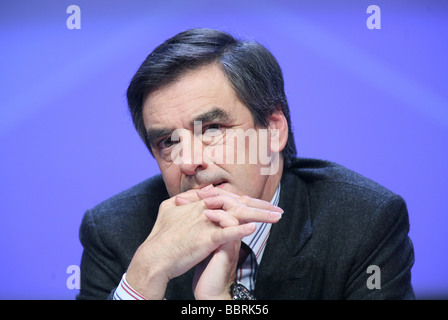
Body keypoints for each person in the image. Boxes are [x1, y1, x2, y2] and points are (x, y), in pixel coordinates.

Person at [77, 28, 415, 300]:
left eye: (211, 129)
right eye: (168, 142)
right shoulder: (115, 231)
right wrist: (142, 279)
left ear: (273, 131)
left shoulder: (362, 222)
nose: (190, 162)